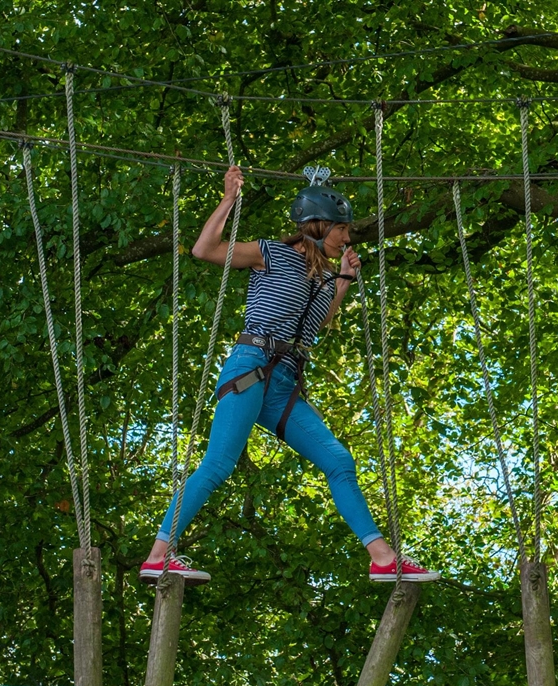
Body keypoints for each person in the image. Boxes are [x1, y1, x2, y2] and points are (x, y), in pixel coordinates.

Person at [139, 165, 439, 586]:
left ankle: (384, 559)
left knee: (337, 460)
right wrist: (229, 199)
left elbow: (315, 325)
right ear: (317, 227)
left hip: (282, 382)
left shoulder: (323, 276)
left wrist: (344, 283)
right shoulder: (271, 253)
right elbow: (204, 249)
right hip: (251, 367)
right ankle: (158, 555)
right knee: (218, 464)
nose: (347, 239)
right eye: (342, 231)